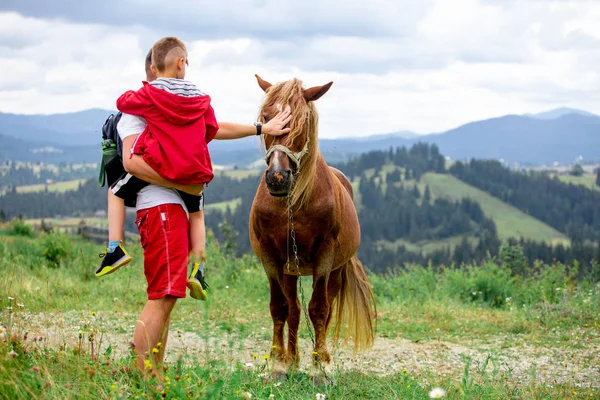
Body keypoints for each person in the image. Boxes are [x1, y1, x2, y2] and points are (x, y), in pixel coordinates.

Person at [111, 37, 290, 374]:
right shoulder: (138, 109)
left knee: (169, 296)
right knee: (161, 295)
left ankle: (153, 370)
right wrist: (183, 184)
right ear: (177, 63)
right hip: (159, 205)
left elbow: (214, 127)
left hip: (173, 207)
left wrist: (261, 128)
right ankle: (139, 375)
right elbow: (131, 161)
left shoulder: (183, 105)